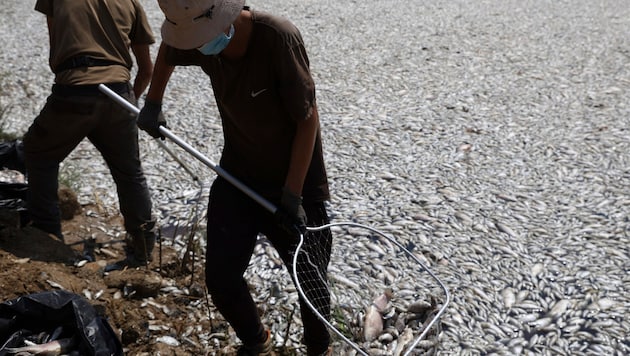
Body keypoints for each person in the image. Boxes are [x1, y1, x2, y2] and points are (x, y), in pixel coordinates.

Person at [138, 0, 333, 354]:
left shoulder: (278, 37)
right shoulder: (200, 40)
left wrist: (292, 195)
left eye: (200, 37)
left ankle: (320, 349)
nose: (199, 45)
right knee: (221, 278)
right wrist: (153, 102)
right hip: (238, 175)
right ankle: (257, 342)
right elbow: (169, 49)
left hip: (296, 183)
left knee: (311, 283)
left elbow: (308, 120)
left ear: (223, 16)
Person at [23, 0, 158, 266]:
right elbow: (146, 69)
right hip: (119, 92)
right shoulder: (131, 2)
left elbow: (55, 53)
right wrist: (127, 105)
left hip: (73, 91)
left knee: (38, 154)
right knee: (129, 172)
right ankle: (143, 248)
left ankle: (47, 235)